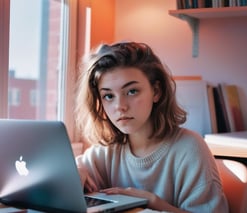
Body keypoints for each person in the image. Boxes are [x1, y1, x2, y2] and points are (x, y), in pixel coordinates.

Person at [74, 41, 228, 212]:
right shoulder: (106, 151)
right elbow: (75, 171)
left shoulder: (190, 148)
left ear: (156, 92)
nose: (120, 106)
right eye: (109, 96)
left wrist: (152, 202)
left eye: (132, 91)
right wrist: (75, 173)